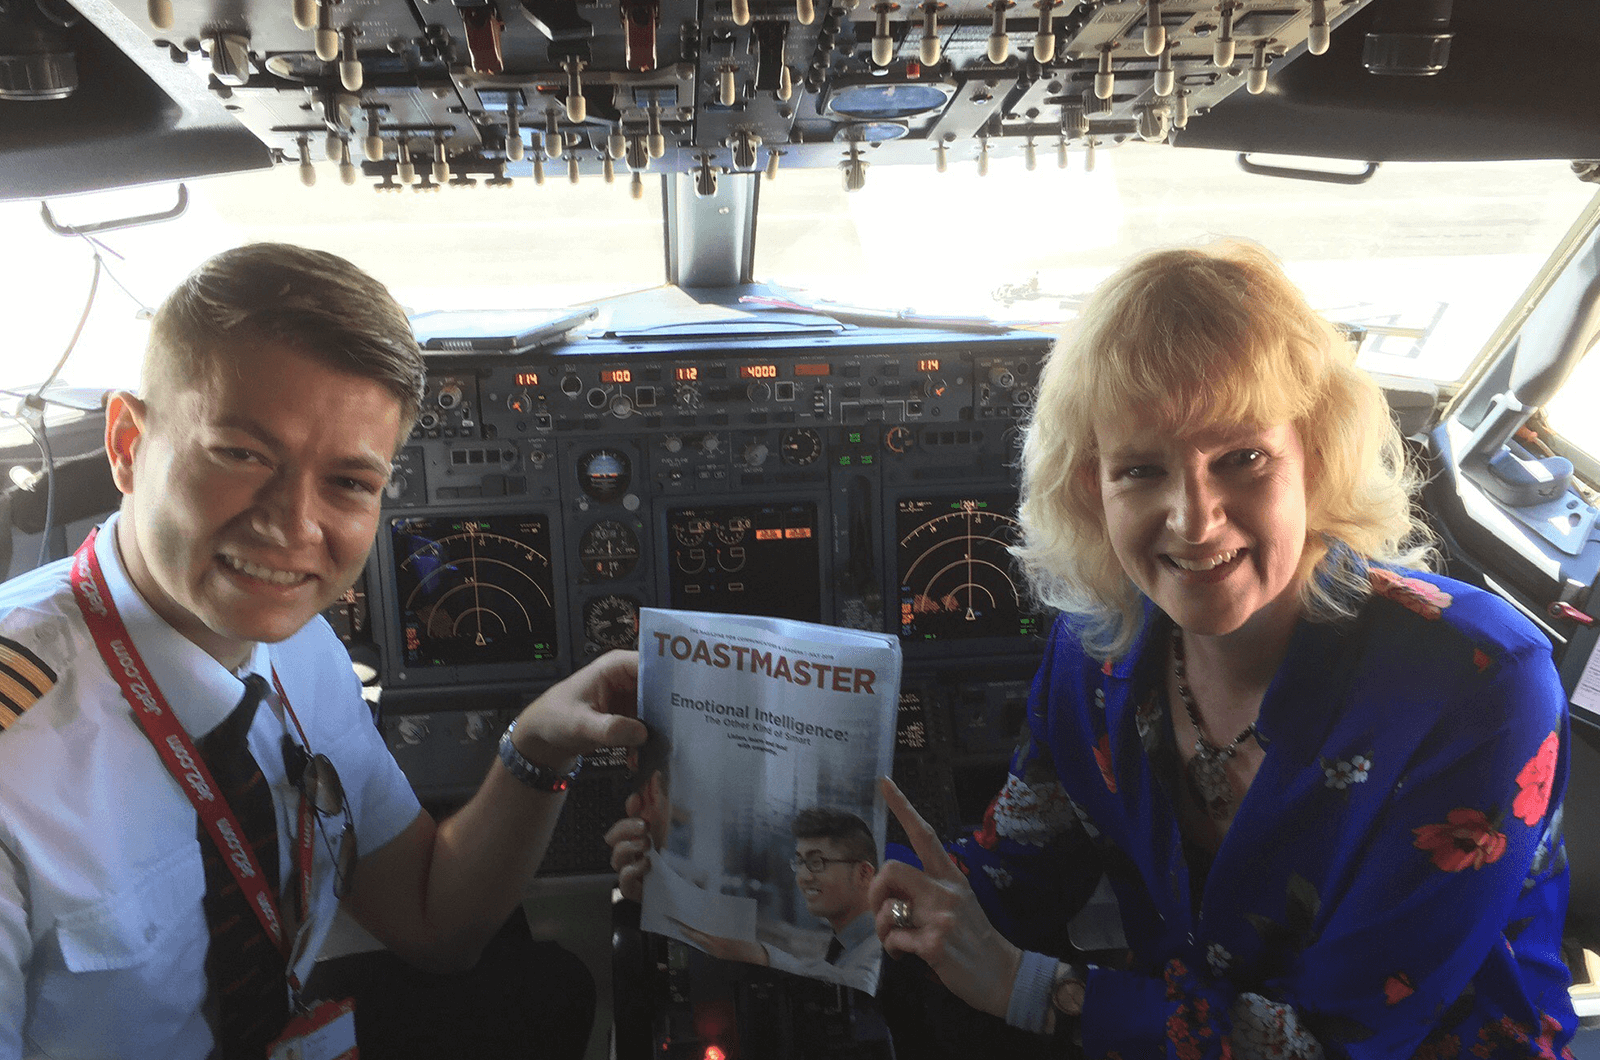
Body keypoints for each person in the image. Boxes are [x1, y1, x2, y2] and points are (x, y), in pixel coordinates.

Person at [865, 241, 1576, 1059]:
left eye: (1242, 458)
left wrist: (1036, 990)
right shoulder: (1095, 648)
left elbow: (1343, 1040)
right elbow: (1014, 880)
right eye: (1141, 469)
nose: (1196, 520)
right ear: (1093, 487)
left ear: (1315, 456)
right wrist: (863, 886)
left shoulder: (1478, 682)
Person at [0, 243, 647, 1059]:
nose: (293, 526)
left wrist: (538, 744)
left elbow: (432, 920)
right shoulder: (18, 755)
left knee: (543, 989)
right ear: (128, 444)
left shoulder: (301, 646)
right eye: (242, 454)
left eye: (348, 482)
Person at [662, 808, 883, 985]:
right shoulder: (844, 944)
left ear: (863, 874)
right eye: (800, 862)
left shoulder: (883, 948)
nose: (804, 877)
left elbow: (855, 983)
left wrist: (761, 956)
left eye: (817, 862)